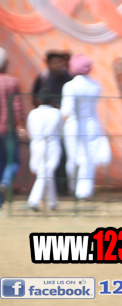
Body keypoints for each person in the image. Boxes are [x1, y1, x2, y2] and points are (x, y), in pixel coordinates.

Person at [60, 54, 111, 201]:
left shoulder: (70, 86)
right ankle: (84, 191)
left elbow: (66, 111)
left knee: (74, 159)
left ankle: (72, 188)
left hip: (73, 126)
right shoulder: (96, 86)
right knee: (88, 159)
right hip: (92, 125)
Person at [32, 49, 71, 196]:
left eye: (60, 62)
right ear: (48, 63)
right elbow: (34, 98)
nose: (58, 65)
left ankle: (62, 187)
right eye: (54, 62)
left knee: (63, 155)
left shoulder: (67, 78)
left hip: (63, 123)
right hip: (46, 123)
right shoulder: (42, 78)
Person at [26, 90, 63, 212]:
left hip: (36, 144)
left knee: (46, 173)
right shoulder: (56, 113)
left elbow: (30, 130)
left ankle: (51, 202)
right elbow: (61, 131)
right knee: (46, 173)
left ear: (39, 100)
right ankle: (34, 200)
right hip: (52, 144)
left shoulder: (33, 113)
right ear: (53, 101)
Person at [0, 48, 28, 203]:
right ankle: (5, 182)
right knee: (13, 161)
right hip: (8, 129)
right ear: (6, 63)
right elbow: (17, 107)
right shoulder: (12, 82)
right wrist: (21, 126)